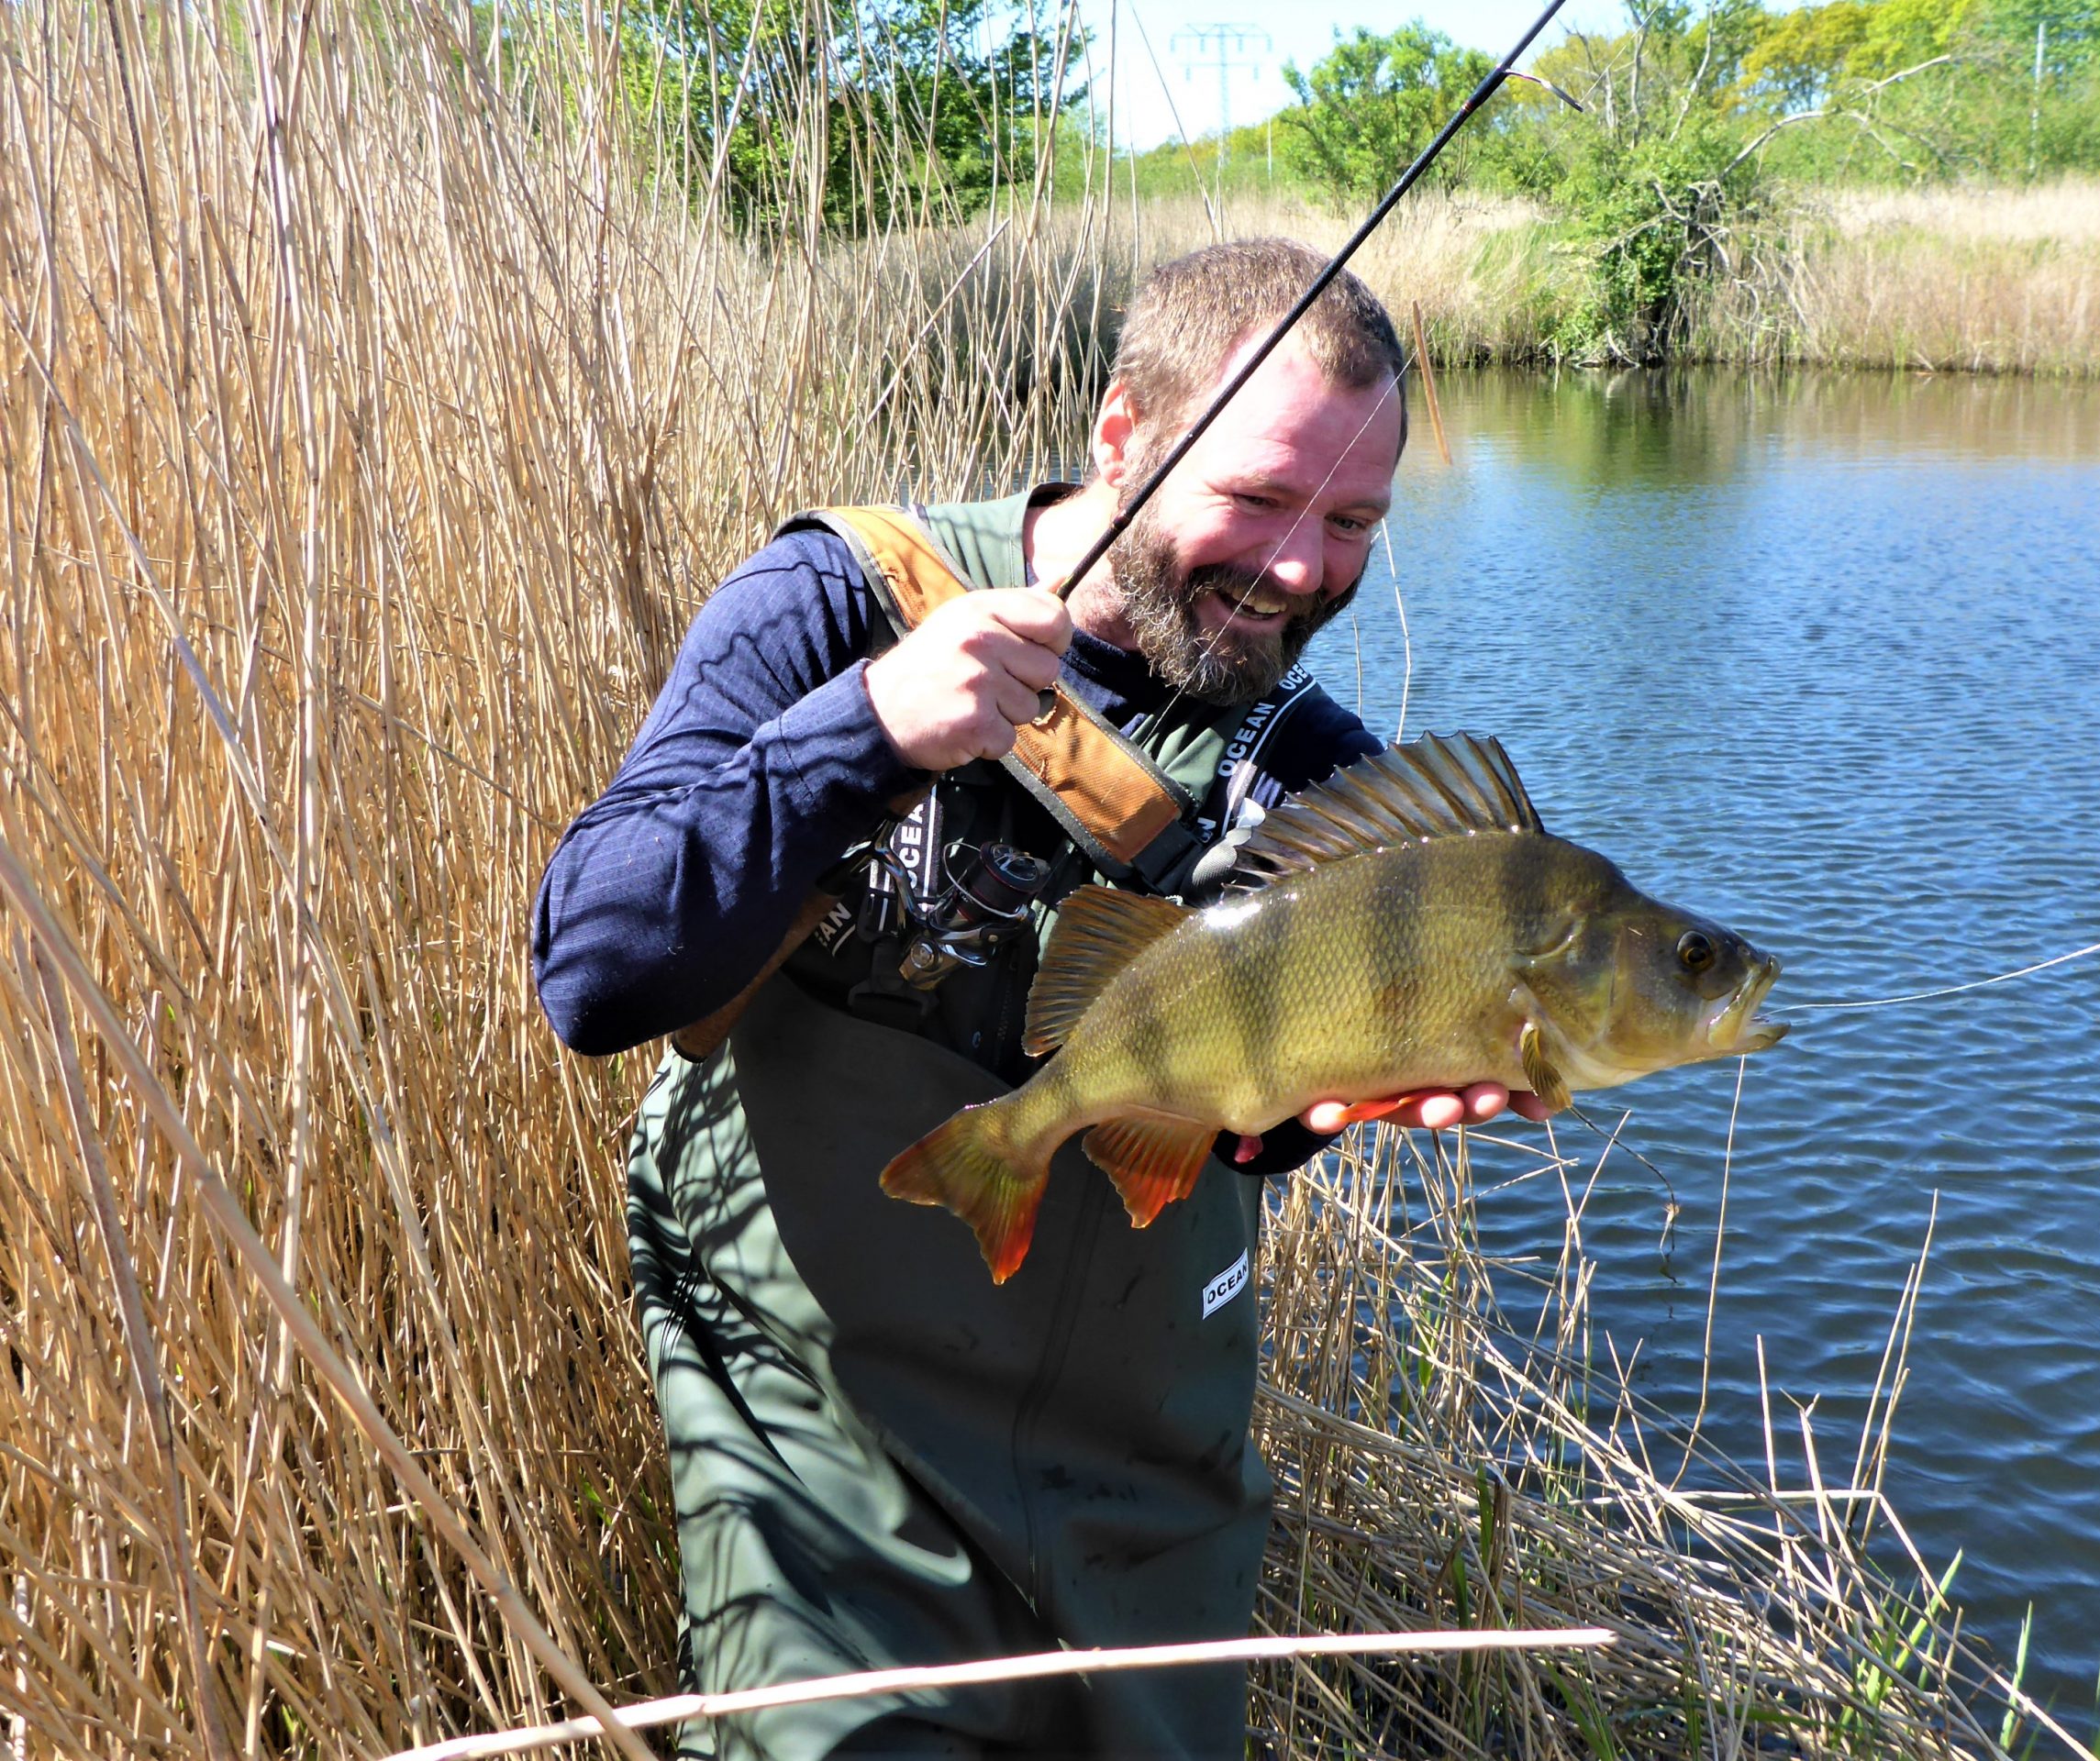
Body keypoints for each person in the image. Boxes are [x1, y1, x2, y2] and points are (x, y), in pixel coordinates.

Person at [532, 239, 1542, 1761]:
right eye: (1261, 499)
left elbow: (1235, 1138)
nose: (1300, 569)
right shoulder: (838, 602)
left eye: (1354, 521)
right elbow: (592, 973)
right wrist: (864, 732)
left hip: (1146, 1482)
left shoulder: (1322, 775)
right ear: (1121, 433)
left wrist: (1340, 1103)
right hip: (823, 1443)